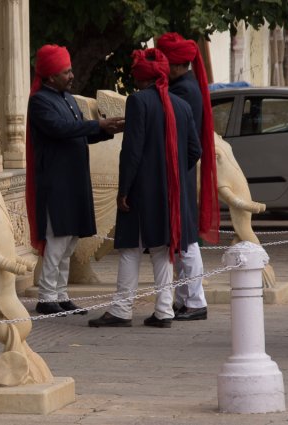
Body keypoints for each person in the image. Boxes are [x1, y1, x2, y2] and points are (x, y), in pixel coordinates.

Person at [88, 48, 201, 328]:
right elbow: (194, 150)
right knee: (162, 249)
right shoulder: (181, 105)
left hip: (141, 190)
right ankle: (164, 311)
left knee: (130, 249)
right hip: (170, 191)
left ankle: (121, 309)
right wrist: (169, 172)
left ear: (142, 77)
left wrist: (124, 188)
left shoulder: (138, 102)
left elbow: (132, 150)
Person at [26, 44, 124, 315]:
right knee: (56, 241)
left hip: (74, 180)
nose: (71, 76)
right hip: (56, 182)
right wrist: (98, 125)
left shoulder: (67, 99)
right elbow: (61, 129)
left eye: (70, 71)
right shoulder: (39, 102)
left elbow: (79, 132)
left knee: (69, 242)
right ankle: (46, 297)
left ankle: (61, 294)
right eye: (65, 72)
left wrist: (107, 130)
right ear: (50, 77)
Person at [156, 32, 220, 321]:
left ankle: (195, 301)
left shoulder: (182, 91)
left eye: (165, 62)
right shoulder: (184, 85)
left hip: (179, 171)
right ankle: (185, 299)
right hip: (181, 170)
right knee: (181, 240)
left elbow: (188, 142)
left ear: (178, 65)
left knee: (188, 242)